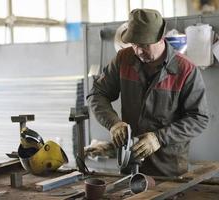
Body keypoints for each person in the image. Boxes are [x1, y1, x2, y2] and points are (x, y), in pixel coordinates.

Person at [87, 8, 209, 176]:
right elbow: (97, 94)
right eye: (134, 45)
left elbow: (199, 118)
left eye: (144, 45)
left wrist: (159, 138)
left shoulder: (185, 70)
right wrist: (113, 123)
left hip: (169, 168)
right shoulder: (124, 59)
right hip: (129, 164)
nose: (138, 51)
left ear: (160, 39)